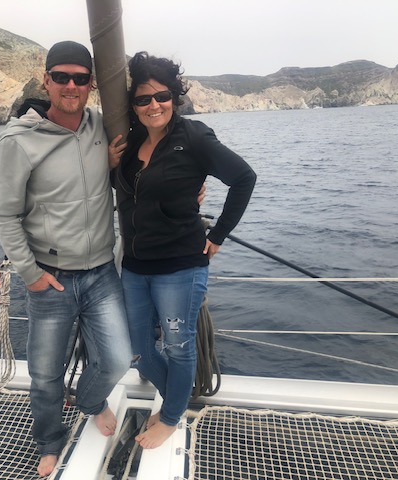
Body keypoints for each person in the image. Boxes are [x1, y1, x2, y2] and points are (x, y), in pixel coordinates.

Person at [0, 41, 132, 477]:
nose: (72, 86)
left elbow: (154, 144)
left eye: (81, 78)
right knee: (45, 374)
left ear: (91, 84)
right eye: (62, 77)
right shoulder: (19, 141)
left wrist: (191, 188)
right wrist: (30, 275)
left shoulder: (100, 125)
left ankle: (90, 400)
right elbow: (4, 216)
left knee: (117, 359)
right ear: (46, 79)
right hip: (49, 277)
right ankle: (49, 441)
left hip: (101, 272)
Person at [108, 51, 257, 449]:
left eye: (162, 96)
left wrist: (219, 234)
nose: (154, 105)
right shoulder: (133, 140)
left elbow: (244, 178)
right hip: (135, 267)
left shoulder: (193, 137)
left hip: (180, 268)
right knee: (139, 347)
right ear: (134, 105)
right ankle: (176, 397)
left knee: (178, 345)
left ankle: (172, 415)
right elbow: (127, 190)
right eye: (143, 98)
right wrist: (108, 164)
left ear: (174, 97)